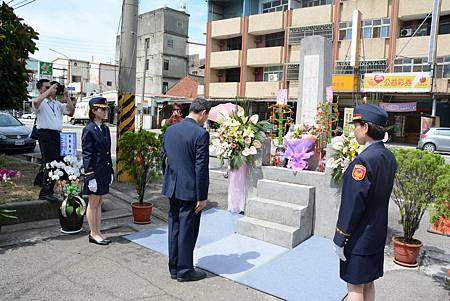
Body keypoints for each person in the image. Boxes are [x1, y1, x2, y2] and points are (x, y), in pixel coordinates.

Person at [333, 104, 396, 301]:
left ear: (366, 128)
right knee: (368, 282)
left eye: (356, 125)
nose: (354, 130)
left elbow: (352, 205)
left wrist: (340, 238)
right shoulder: (388, 156)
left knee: (354, 288)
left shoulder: (363, 161)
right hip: (377, 233)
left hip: (359, 236)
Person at [161, 97, 211, 282]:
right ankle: (185, 270)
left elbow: (163, 159)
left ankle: (174, 268)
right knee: (188, 230)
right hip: (190, 190)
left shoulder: (171, 130)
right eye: (207, 116)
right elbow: (201, 167)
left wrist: (169, 179)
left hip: (172, 186)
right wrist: (202, 196)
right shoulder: (200, 134)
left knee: (174, 228)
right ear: (203, 113)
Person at [32, 79, 75, 202]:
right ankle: (45, 192)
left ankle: (41, 182)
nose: (51, 90)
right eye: (47, 87)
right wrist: (50, 90)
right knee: (51, 163)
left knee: (56, 160)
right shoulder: (41, 102)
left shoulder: (56, 103)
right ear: (40, 89)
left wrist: (67, 97)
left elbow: (71, 112)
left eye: (52, 88)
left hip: (56, 134)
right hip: (45, 134)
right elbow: (36, 102)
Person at [82, 97, 114, 246]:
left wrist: (111, 171)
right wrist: (90, 176)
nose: (105, 111)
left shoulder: (105, 128)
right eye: (102, 109)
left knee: (100, 202)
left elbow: (107, 152)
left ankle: (98, 231)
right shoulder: (89, 129)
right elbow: (87, 154)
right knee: (93, 203)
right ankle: (93, 233)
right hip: (94, 171)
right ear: (94, 111)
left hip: (104, 171)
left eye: (106, 109)